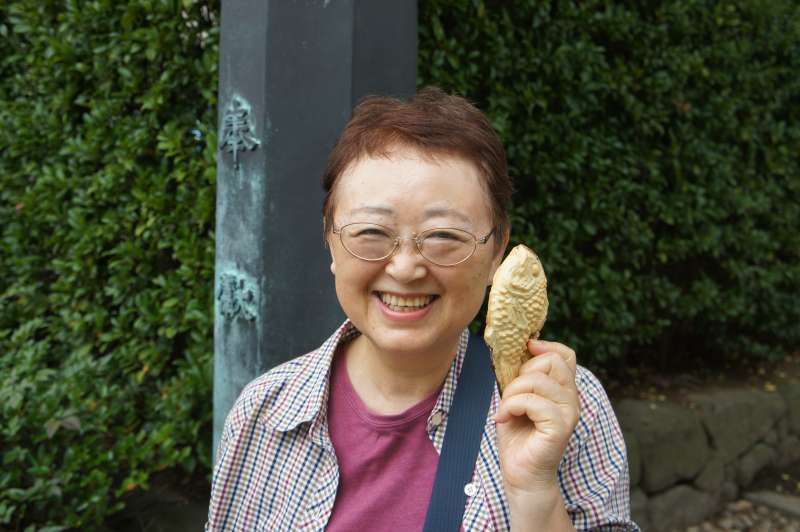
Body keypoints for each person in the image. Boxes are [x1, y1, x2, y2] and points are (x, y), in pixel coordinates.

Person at [206, 87, 639, 531]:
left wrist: (534, 493)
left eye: (444, 236)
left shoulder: (557, 406)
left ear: (497, 251)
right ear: (330, 240)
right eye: (372, 232)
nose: (407, 267)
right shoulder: (266, 410)